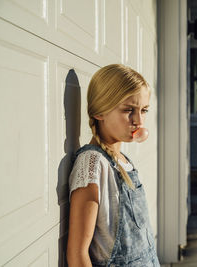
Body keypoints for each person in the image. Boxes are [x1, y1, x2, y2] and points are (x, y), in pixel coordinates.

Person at [66, 64, 160, 267]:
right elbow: (77, 254)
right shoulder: (93, 163)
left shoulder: (123, 159)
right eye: (128, 110)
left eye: (143, 110)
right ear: (100, 112)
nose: (138, 121)